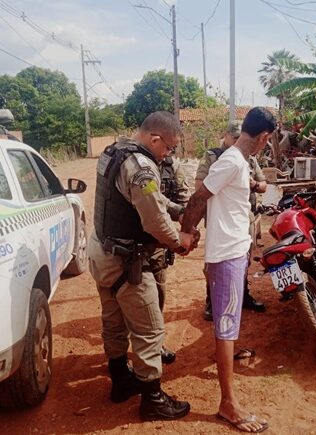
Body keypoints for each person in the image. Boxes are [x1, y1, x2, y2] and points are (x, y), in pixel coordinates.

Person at [86, 111, 196, 421]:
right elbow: (154, 220)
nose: (169, 154)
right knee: (150, 330)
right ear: (155, 138)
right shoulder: (143, 168)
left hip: (103, 252)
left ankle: (120, 380)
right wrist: (179, 242)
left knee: (113, 320)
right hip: (126, 263)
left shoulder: (114, 151)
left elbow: (150, 200)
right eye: (170, 148)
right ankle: (153, 399)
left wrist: (179, 209)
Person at [181, 107, 275, 433]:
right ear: (263, 137)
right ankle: (228, 404)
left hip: (232, 251)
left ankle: (227, 383)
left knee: (229, 322)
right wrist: (187, 232)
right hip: (226, 256)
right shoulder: (231, 161)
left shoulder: (239, 162)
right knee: (226, 325)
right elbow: (197, 198)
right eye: (268, 140)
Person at [196, 120, 267, 320]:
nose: (237, 140)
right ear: (225, 135)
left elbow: (263, 185)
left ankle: (242, 296)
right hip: (220, 219)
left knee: (243, 260)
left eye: (239, 136)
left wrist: (251, 183)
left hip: (246, 219)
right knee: (214, 263)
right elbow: (199, 187)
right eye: (234, 137)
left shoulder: (249, 159)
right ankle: (212, 300)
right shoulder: (213, 157)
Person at [153, 150, 192, 364]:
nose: (167, 151)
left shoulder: (172, 166)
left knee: (157, 293)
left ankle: (155, 344)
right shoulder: (135, 164)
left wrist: (183, 227)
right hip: (134, 240)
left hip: (161, 241)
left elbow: (183, 197)